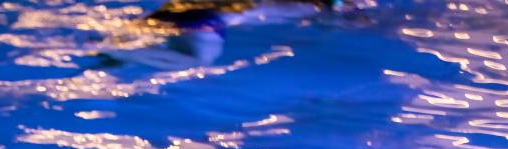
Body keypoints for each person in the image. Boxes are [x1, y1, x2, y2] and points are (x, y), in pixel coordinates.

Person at [99, 0, 357, 69]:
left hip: (182, 5)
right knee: (198, 61)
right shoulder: (312, 8)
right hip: (209, 18)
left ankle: (113, 53)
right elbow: (334, 18)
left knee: (146, 39)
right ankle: (115, 51)